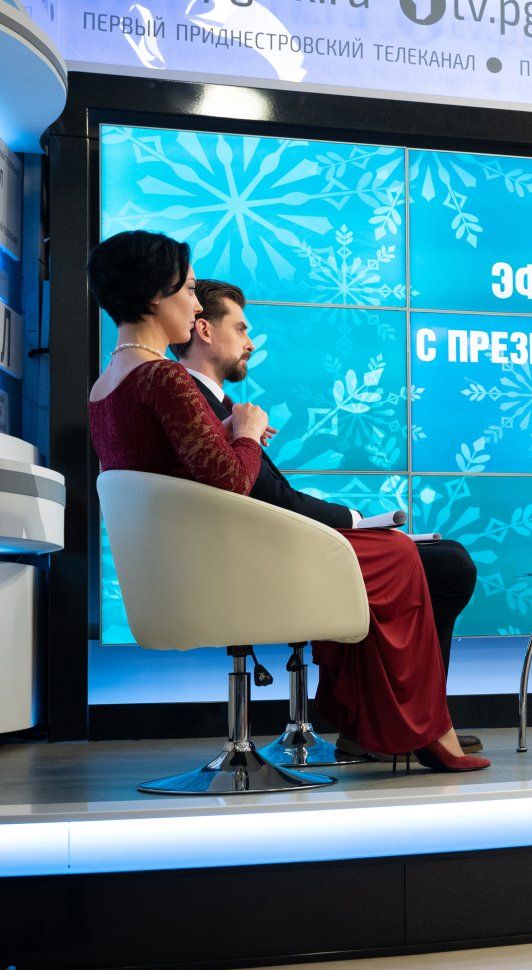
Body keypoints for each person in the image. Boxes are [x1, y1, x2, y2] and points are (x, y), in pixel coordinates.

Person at [86, 230, 488, 773]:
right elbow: (232, 482)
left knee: (388, 552)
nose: (195, 303)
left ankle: (390, 723)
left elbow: (185, 479)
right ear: (156, 295)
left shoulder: (105, 387)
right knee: (395, 553)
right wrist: (247, 432)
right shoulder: (163, 378)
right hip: (229, 569)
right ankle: (416, 727)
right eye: (188, 289)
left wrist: (228, 432)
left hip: (182, 571)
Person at [171, 278, 483, 756]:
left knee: (443, 556)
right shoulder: (197, 403)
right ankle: (412, 725)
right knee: (449, 566)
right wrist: (355, 519)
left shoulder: (216, 405)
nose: (250, 341)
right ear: (205, 330)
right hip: (256, 563)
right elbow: (269, 497)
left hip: (263, 548)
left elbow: (267, 496)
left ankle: (399, 722)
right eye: (241, 328)